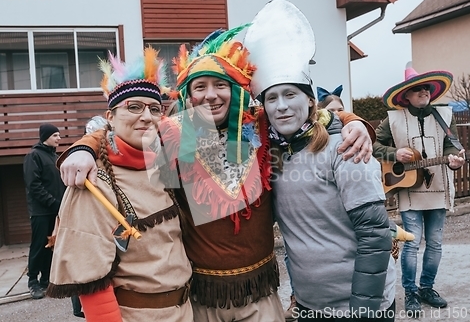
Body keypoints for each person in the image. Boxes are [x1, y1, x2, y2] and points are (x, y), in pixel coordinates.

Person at [55, 27, 374, 321]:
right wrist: (83, 146)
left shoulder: (263, 125)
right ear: (187, 96)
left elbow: (314, 115)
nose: (211, 95)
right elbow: (122, 133)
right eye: (200, 87)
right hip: (202, 296)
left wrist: (351, 120)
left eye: (221, 85)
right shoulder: (173, 135)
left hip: (260, 292)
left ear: (236, 90)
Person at [244, 0, 396, 322]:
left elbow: (375, 234)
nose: (282, 106)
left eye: (291, 95)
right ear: (264, 107)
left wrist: (364, 311)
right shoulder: (271, 157)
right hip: (312, 308)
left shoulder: (346, 149)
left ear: (310, 101)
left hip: (360, 307)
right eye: (272, 97)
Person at [46, 47, 193, 322]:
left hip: (185, 311)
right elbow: (91, 280)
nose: (147, 117)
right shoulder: (94, 181)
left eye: (154, 109)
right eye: (134, 107)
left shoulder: (163, 163)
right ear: (110, 117)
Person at [372, 64, 466, 316]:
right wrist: (395, 153)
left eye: (426, 88)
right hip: (410, 191)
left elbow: (451, 147)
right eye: (418, 89)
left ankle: (427, 288)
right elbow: (374, 146)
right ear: (407, 96)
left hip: (439, 187)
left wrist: (454, 160)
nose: (424, 91)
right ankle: (410, 292)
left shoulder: (445, 116)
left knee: (435, 243)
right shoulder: (392, 119)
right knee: (412, 243)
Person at [23, 124, 66, 300]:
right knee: (39, 245)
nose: (59, 138)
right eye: (55, 135)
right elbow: (34, 186)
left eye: (59, 135)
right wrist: (53, 203)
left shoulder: (54, 157)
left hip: (55, 210)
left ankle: (46, 281)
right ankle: (33, 281)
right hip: (41, 211)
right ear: (45, 137)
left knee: (52, 245)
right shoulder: (33, 156)